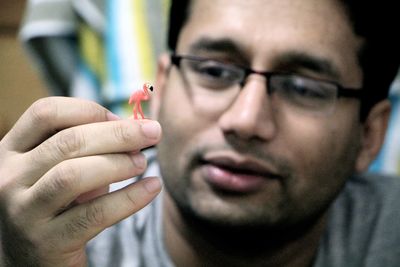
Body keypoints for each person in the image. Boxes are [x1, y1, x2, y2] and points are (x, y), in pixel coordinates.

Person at [1, 0, 400, 266]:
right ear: (163, 86)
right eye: (214, 71)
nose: (245, 121)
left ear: (368, 134)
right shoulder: (45, 236)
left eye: (303, 88)